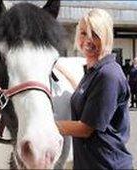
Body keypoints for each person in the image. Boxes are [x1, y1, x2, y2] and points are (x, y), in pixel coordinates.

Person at [55, 9, 132, 169]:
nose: (88, 40)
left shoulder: (108, 74)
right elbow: (87, 96)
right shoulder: (93, 71)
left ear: (106, 37)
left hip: (106, 164)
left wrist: (45, 126)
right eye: (83, 33)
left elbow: (86, 129)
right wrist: (63, 70)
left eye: (95, 34)